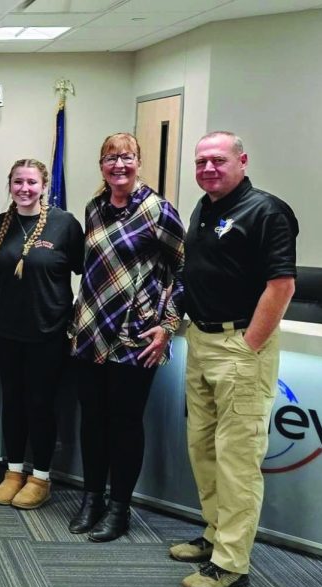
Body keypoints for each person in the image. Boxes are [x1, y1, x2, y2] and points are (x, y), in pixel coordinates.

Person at [170, 131, 297, 587]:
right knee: (203, 449)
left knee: (238, 460)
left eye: (217, 160)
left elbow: (281, 286)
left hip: (240, 347)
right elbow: (194, 272)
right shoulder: (204, 208)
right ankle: (213, 534)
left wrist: (249, 346)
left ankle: (231, 561)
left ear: (242, 160)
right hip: (201, 342)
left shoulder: (267, 212)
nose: (208, 169)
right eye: (201, 161)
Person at [68, 133, 185, 542]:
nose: (119, 165)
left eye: (127, 157)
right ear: (101, 165)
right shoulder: (95, 208)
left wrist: (168, 325)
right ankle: (92, 498)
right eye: (110, 158)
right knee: (93, 422)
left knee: (124, 423)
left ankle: (120, 508)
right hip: (90, 331)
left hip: (135, 336)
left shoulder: (159, 210)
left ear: (139, 161)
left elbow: (184, 271)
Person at [0, 159, 83, 510]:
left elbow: (85, 269)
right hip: (6, 330)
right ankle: (13, 472)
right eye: (17, 182)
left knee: (41, 404)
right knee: (12, 402)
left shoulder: (65, 225)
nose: (24, 189)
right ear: (9, 185)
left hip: (48, 332)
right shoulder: (2, 224)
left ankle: (40, 477)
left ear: (44, 186)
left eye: (31, 182)